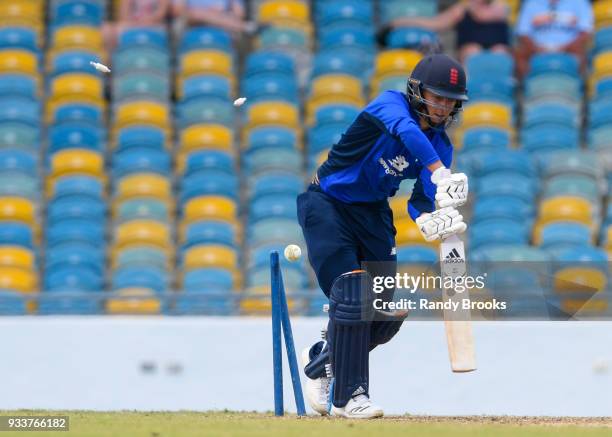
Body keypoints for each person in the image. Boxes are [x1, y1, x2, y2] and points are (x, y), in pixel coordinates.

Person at [297, 54, 469, 418]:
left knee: (383, 312)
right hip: (328, 202)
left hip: (373, 212)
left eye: (450, 100)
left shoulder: (442, 146)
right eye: (436, 96)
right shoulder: (388, 105)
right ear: (416, 90)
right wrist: (439, 171)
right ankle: (351, 397)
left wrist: (431, 220)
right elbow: (407, 133)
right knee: (352, 290)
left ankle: (322, 361)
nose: (442, 106)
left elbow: (421, 200)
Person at [380, 0, 510, 63]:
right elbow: (434, 24)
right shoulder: (461, 10)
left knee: (499, 52)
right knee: (472, 51)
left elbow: (485, 15)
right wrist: (398, 23)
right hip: (468, 57)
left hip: (499, 56)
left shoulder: (502, 8)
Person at [515, 0, 593, 78]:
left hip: (569, 47)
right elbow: (523, 33)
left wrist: (567, 47)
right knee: (520, 54)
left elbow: (586, 32)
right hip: (537, 47)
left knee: (581, 52)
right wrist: (536, 48)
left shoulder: (580, 2)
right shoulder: (531, 3)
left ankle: (579, 85)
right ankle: (526, 85)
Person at [102, 0, 171, 54]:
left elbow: (161, 13)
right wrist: (136, 21)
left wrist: (147, 20)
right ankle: (113, 61)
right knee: (108, 30)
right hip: (133, 22)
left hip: (154, 24)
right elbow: (124, 13)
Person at [171, 0, 261, 36]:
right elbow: (177, 10)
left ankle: (243, 26)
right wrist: (208, 12)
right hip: (193, 21)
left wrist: (217, 13)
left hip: (223, 22)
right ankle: (245, 27)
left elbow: (239, 13)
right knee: (196, 14)